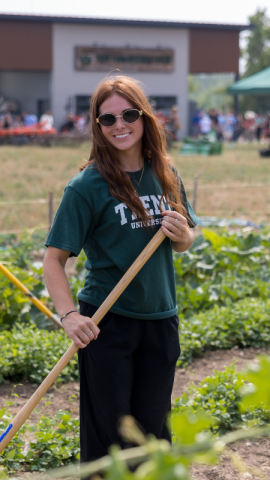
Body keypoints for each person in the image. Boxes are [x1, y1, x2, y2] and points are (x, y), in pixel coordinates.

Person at [43, 75, 197, 465]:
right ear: (97, 127)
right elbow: (54, 260)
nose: (119, 125)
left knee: (151, 432)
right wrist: (69, 316)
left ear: (145, 117)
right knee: (109, 437)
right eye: (107, 119)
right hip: (106, 322)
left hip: (161, 319)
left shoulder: (165, 172)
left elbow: (184, 240)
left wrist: (181, 234)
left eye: (129, 114)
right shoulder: (86, 187)